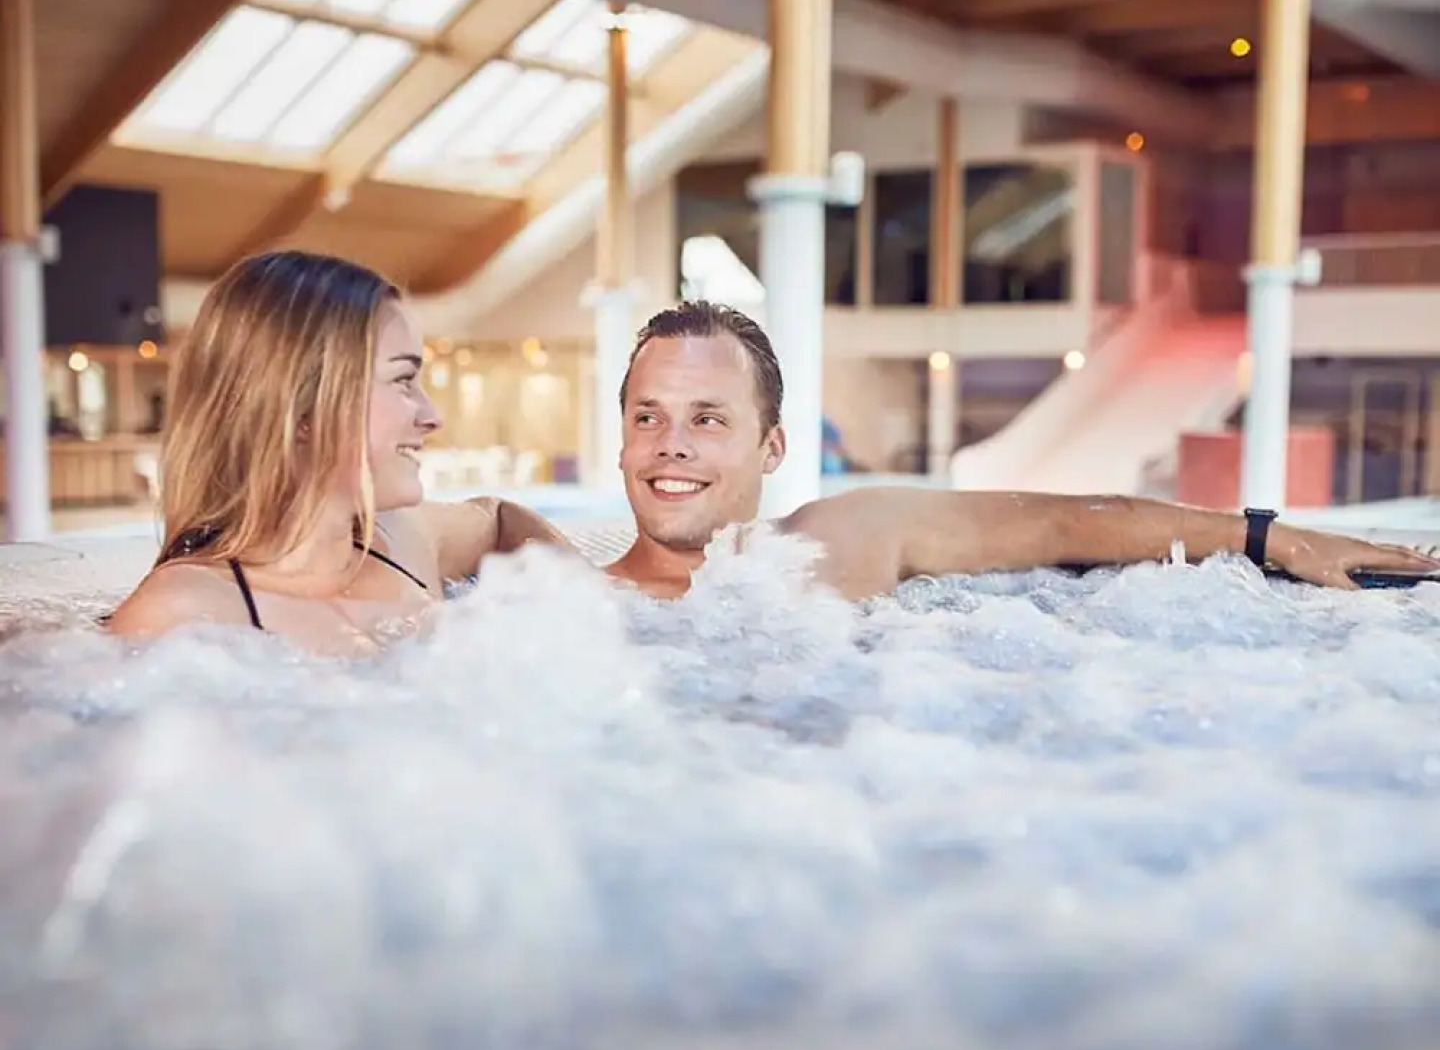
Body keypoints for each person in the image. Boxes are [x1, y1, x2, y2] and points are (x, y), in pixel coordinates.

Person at [604, 300, 1439, 601]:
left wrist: (1272, 538)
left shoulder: (843, 540)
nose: (670, 447)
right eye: (649, 417)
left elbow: (1061, 525)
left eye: (708, 419)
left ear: (772, 445)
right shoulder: (547, 589)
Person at [106, 250, 569, 656]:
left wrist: (603, 603)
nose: (432, 417)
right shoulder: (184, 613)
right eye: (403, 381)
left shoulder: (402, 541)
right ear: (303, 409)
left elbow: (497, 518)